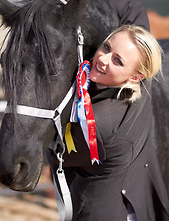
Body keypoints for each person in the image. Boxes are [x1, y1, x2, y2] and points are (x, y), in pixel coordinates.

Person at [48, 25, 169, 221]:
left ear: (136, 76)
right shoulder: (142, 82)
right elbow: (134, 8)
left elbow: (59, 156)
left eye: (117, 61)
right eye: (106, 47)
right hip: (137, 198)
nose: (103, 59)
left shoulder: (98, 125)